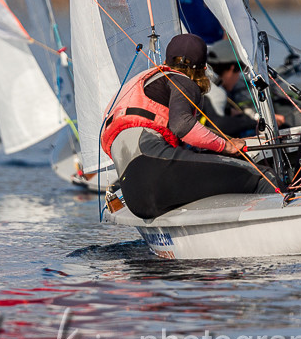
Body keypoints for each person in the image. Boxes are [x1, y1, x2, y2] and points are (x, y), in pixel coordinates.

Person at [101, 33, 277, 220]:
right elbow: (182, 125)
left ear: (168, 60)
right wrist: (226, 146)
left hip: (136, 197)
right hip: (157, 173)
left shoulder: (137, 85)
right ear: (202, 68)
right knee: (263, 176)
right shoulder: (181, 80)